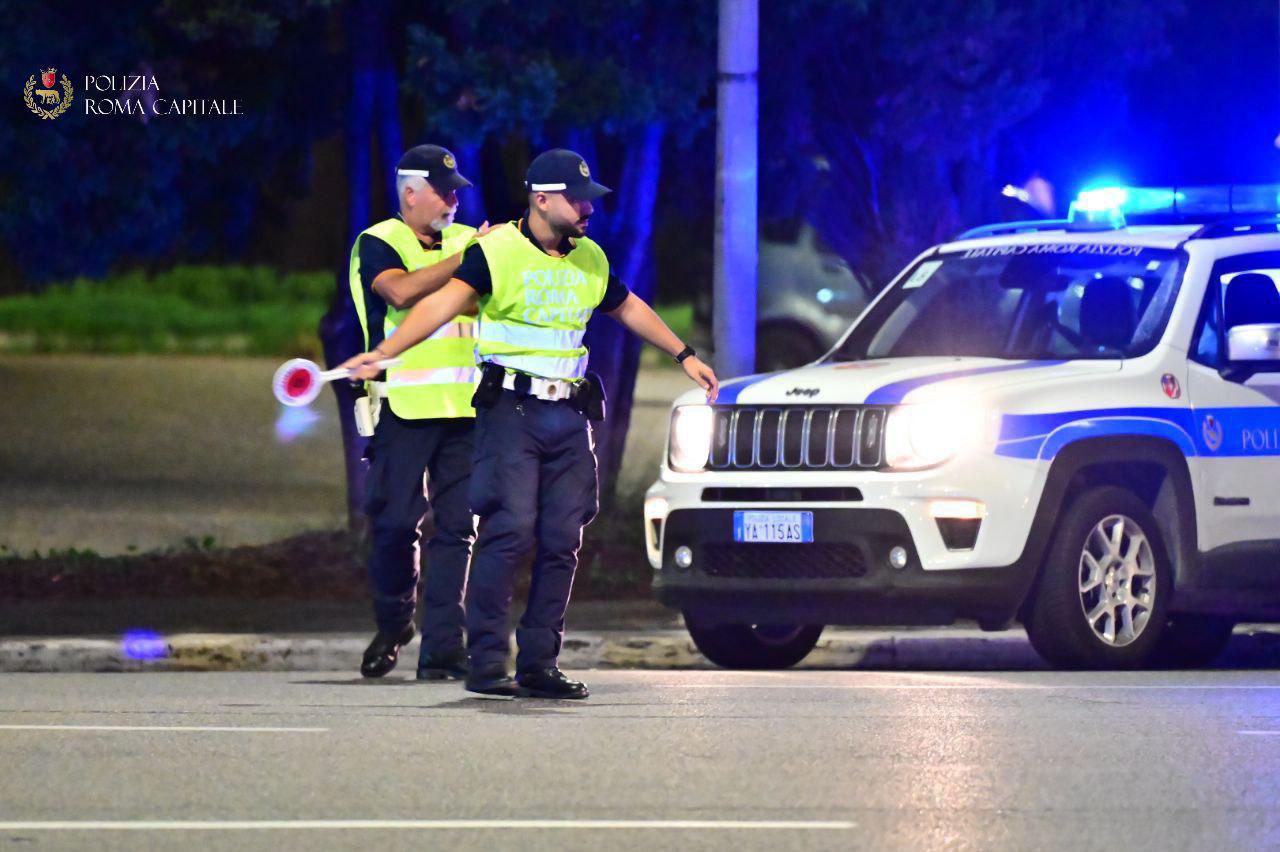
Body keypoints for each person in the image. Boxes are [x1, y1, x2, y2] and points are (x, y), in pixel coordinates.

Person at [343, 148, 719, 699]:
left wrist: (684, 354)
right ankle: (488, 662)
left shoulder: (588, 256)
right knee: (509, 528)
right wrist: (386, 351)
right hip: (509, 414)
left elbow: (627, 304)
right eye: (577, 199)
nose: (588, 210)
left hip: (569, 416)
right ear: (542, 199)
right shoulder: (495, 251)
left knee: (563, 537)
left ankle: (540, 663)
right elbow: (437, 307)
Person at [349, 143, 501, 680]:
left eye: (458, 190)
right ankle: (394, 624)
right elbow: (401, 293)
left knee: (458, 528)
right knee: (392, 524)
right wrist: (468, 260)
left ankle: (442, 648)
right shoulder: (378, 242)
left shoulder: (467, 239)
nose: (454, 200)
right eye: (443, 190)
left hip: (466, 410)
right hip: (403, 408)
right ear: (410, 193)